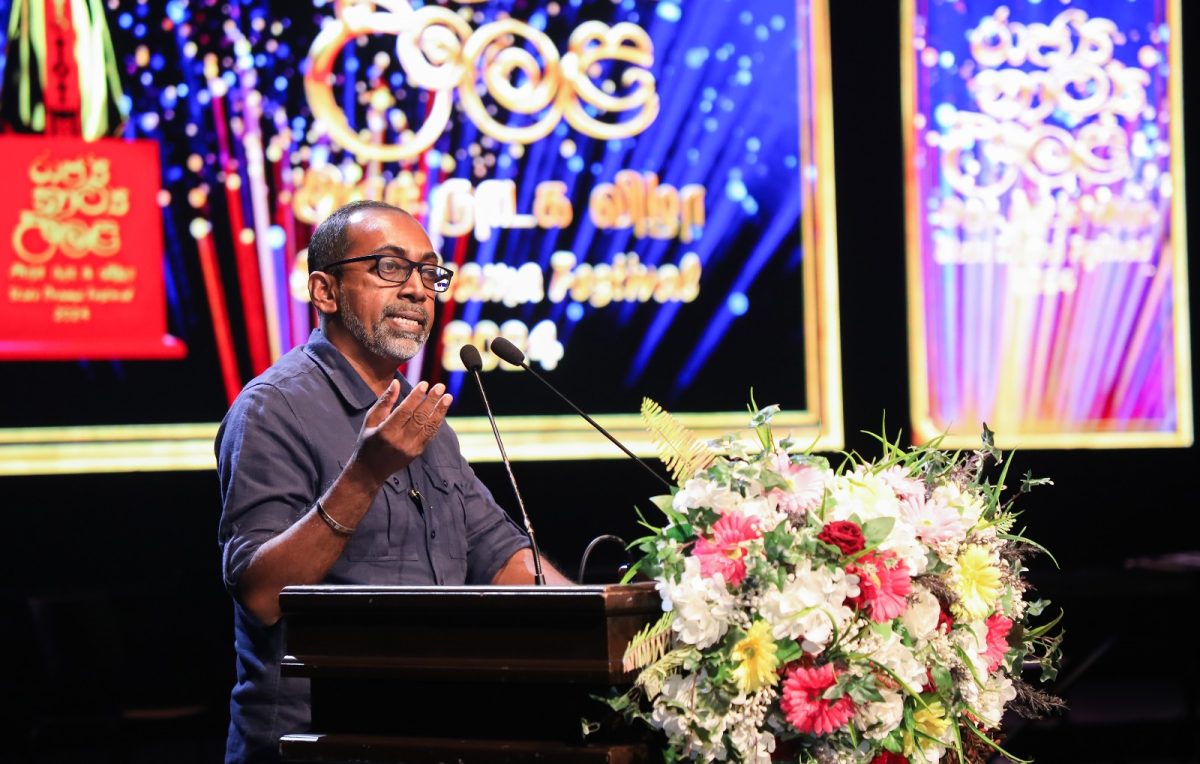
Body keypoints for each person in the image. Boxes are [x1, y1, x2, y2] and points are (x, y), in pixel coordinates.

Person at [215, 199, 570, 764]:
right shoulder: (273, 409)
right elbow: (261, 595)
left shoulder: (424, 419)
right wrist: (365, 474)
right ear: (325, 291)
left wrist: (601, 623)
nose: (417, 290)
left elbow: (498, 553)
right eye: (390, 267)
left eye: (429, 273)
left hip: (432, 735)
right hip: (317, 745)